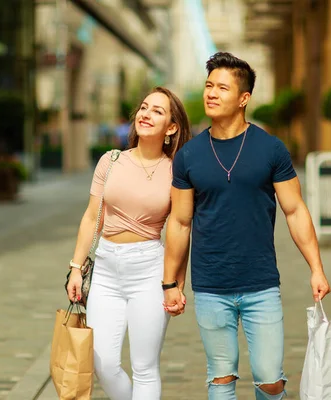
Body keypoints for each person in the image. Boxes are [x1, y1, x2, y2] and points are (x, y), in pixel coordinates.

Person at [162, 52, 331, 400]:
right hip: (210, 284)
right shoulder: (189, 156)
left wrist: (316, 268)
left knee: (271, 380)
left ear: (243, 98)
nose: (211, 93)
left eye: (222, 87)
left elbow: (295, 210)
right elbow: (179, 223)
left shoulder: (270, 149)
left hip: (260, 284)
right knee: (220, 379)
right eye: (209, 85)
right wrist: (171, 283)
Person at [66, 86, 192, 400]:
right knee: (102, 362)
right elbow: (90, 217)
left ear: (171, 128)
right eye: (144, 107)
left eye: (158, 111)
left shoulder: (177, 171)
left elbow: (180, 228)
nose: (146, 114)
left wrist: (176, 283)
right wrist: (75, 268)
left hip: (150, 269)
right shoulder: (110, 161)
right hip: (106, 269)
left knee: (145, 366)